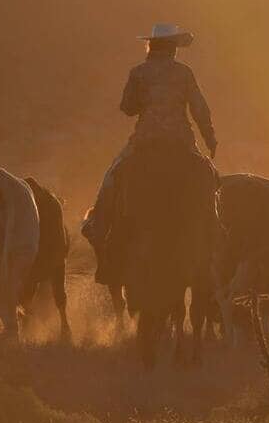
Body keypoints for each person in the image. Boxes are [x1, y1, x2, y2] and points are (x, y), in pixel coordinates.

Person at [82, 23, 217, 284]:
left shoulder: (139, 72)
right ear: (174, 48)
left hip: (145, 141)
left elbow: (127, 108)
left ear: (151, 45)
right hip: (181, 142)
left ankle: (98, 224)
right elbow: (200, 108)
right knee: (210, 177)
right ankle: (216, 229)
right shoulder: (185, 73)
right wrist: (209, 137)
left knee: (112, 175)